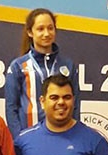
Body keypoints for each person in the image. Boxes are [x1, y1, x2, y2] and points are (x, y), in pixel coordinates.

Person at [5, 8, 78, 139]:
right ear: (30, 32)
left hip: (63, 138)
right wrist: (19, 139)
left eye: (50, 28)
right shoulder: (18, 66)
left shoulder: (68, 65)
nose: (46, 33)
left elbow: (75, 105)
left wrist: (74, 136)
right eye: (40, 29)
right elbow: (11, 109)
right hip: (29, 139)